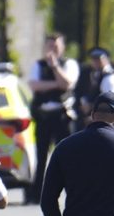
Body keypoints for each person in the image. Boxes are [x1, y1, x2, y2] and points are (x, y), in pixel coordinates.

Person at [26, 33, 79, 204]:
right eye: (50, 46)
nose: (52, 50)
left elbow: (67, 83)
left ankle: (72, 192)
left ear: (62, 47)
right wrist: (56, 84)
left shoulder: (68, 64)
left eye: (56, 46)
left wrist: (55, 67)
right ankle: (36, 194)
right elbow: (34, 85)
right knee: (40, 156)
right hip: (43, 117)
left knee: (67, 156)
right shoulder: (38, 65)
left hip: (62, 116)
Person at [74, 47, 114, 129]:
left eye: (98, 59)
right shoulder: (92, 74)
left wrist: (94, 114)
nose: (95, 62)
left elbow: (111, 103)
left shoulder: (110, 78)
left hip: (104, 123)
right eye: (93, 59)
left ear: (106, 59)